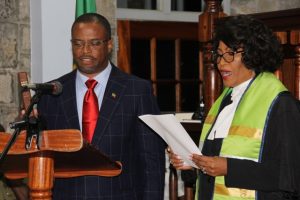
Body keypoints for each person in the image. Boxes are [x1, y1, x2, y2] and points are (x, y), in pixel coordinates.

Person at [169, 15, 300, 199]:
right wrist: (191, 164)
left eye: (230, 54)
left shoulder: (281, 104)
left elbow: (290, 177)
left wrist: (229, 168)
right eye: (219, 54)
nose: (221, 63)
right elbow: (212, 166)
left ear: (253, 54)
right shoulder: (222, 101)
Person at [36, 13, 165, 199]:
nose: (85, 51)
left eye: (94, 43)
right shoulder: (53, 92)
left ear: (109, 44)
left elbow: (151, 160)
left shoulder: (136, 90)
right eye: (78, 43)